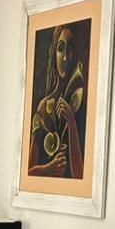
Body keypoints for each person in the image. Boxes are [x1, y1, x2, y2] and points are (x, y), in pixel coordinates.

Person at [28, 23, 86, 178]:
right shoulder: (43, 108)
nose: (65, 57)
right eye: (60, 49)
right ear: (54, 53)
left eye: (70, 48)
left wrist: (71, 122)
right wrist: (49, 168)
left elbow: (80, 175)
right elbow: (28, 171)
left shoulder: (82, 105)